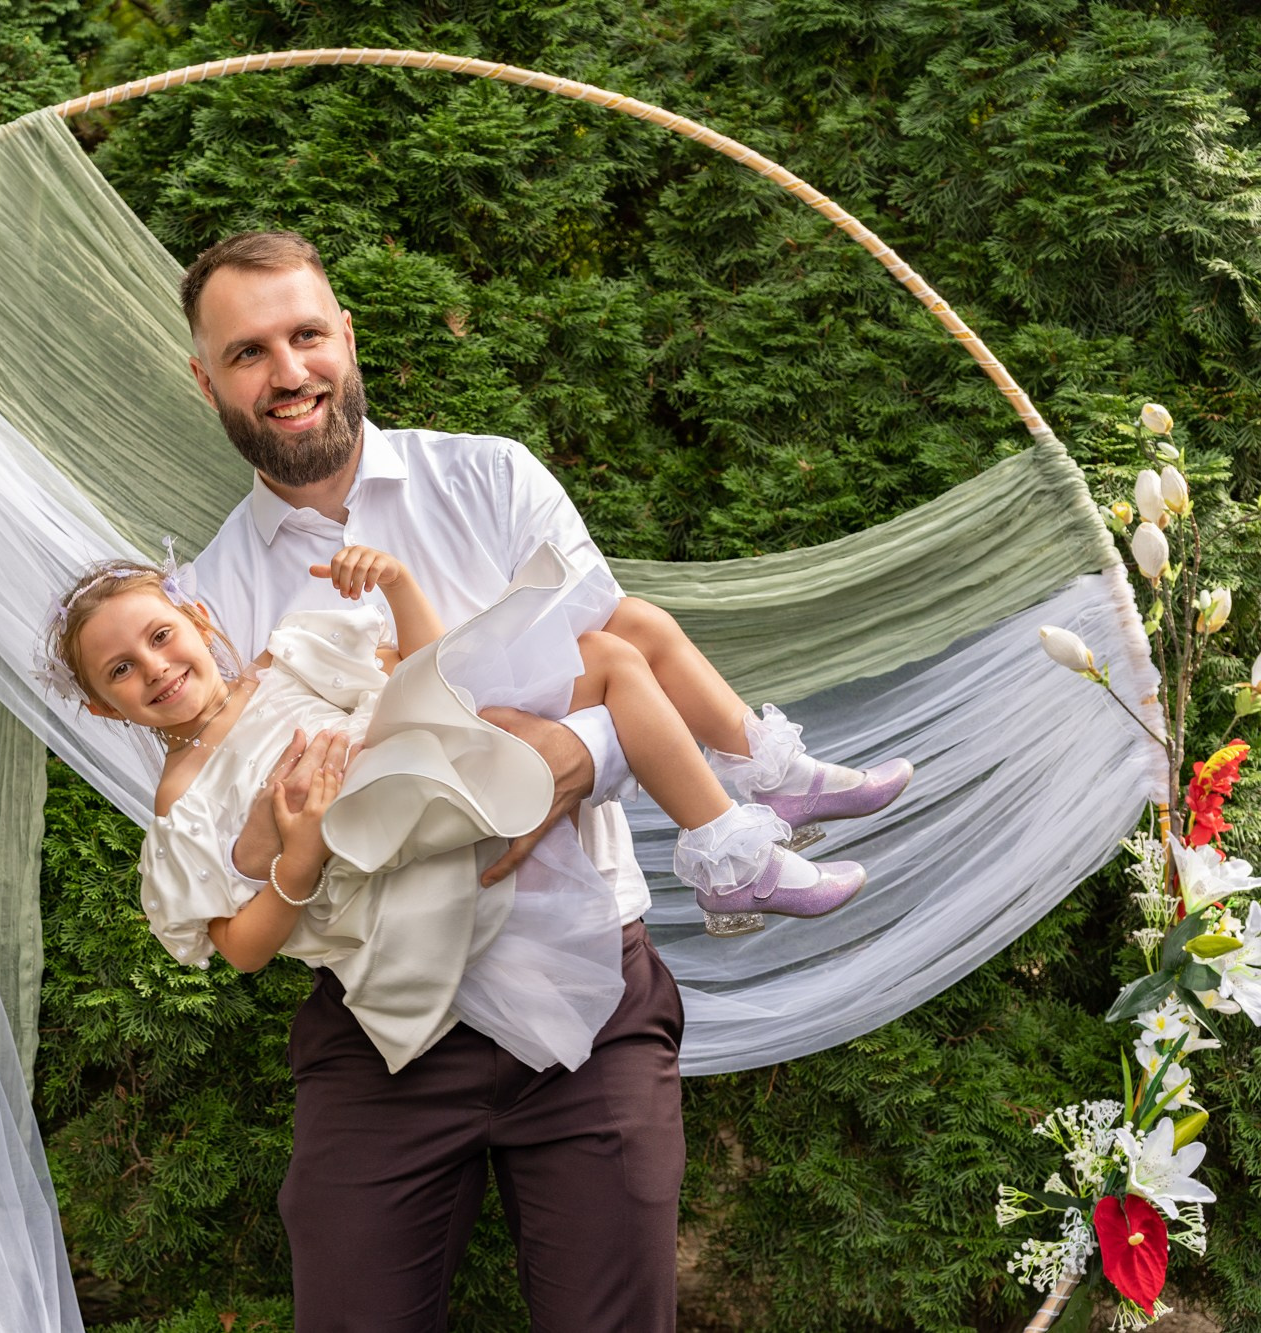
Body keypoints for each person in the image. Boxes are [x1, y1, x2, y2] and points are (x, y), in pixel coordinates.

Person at [181, 229, 905, 1331]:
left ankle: (769, 793)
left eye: (305, 334)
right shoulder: (203, 606)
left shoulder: (489, 477)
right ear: (205, 380)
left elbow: (619, 670)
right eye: (246, 353)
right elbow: (250, 838)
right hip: (383, 1031)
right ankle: (769, 801)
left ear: (346, 335)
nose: (286, 373)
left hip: (591, 990)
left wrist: (573, 759)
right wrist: (475, 774)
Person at [37, 536, 891, 1073]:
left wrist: (401, 583)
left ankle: (762, 788)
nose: (154, 667)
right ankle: (735, 852)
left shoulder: (284, 662)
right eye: (121, 671)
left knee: (629, 636)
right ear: (106, 709)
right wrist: (294, 856)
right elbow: (243, 948)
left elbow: (421, 668)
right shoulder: (182, 801)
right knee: (613, 656)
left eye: (160, 636)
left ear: (196, 618)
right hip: (391, 815)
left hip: (432, 744)